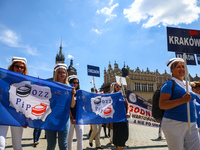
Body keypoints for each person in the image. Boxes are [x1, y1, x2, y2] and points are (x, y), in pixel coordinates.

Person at [159, 58, 200, 150]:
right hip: (174, 123)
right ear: (172, 70)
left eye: (183, 66)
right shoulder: (169, 84)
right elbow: (162, 104)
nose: (182, 69)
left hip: (191, 123)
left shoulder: (187, 85)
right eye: (178, 67)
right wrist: (181, 101)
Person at [45, 63, 76, 150]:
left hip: (63, 118)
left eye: (64, 72)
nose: (62, 74)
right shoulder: (50, 86)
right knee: (51, 145)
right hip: (51, 117)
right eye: (60, 72)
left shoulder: (68, 88)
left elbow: (72, 105)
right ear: (56, 74)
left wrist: (72, 95)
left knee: (63, 145)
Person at [0, 56, 28, 150]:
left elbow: (28, 102)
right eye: (17, 66)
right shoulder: (3, 80)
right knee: (1, 145)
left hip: (18, 115)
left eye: (22, 67)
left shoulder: (27, 83)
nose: (19, 69)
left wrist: (26, 118)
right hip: (3, 113)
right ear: (12, 67)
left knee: (17, 145)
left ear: (24, 69)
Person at [67, 75, 83, 150]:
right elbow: (68, 107)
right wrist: (71, 118)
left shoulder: (80, 93)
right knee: (70, 138)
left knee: (80, 137)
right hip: (70, 118)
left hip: (79, 118)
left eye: (77, 82)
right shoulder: (67, 93)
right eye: (74, 82)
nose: (75, 84)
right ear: (70, 83)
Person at [112, 82, 130, 150]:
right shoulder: (113, 96)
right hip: (117, 119)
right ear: (114, 88)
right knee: (119, 136)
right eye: (117, 86)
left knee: (125, 134)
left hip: (124, 118)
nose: (119, 87)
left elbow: (127, 105)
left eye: (120, 86)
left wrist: (128, 112)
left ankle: (119, 144)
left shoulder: (123, 96)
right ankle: (119, 146)